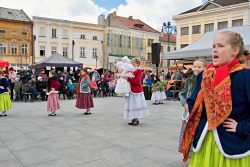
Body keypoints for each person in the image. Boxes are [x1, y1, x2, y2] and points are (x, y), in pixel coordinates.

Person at [181, 31, 250, 166]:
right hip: (204, 140)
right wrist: (192, 107)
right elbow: (193, 100)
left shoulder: (245, 76)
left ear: (235, 50)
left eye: (220, 46)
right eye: (213, 46)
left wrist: (241, 127)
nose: (215, 50)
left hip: (233, 144)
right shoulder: (205, 75)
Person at [177, 59, 206, 152]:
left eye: (199, 67)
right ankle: (188, 152)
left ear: (205, 68)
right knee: (188, 132)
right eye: (195, 66)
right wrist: (184, 103)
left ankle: (197, 153)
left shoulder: (207, 79)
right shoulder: (189, 80)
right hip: (188, 110)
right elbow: (182, 93)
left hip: (201, 112)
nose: (196, 69)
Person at [125, 58, 149, 125]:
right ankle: (133, 118)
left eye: (133, 62)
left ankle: (136, 119)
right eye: (131, 62)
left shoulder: (138, 70)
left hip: (136, 90)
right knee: (131, 105)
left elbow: (137, 81)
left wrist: (128, 79)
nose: (132, 63)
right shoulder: (131, 70)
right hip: (131, 90)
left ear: (137, 63)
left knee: (135, 105)